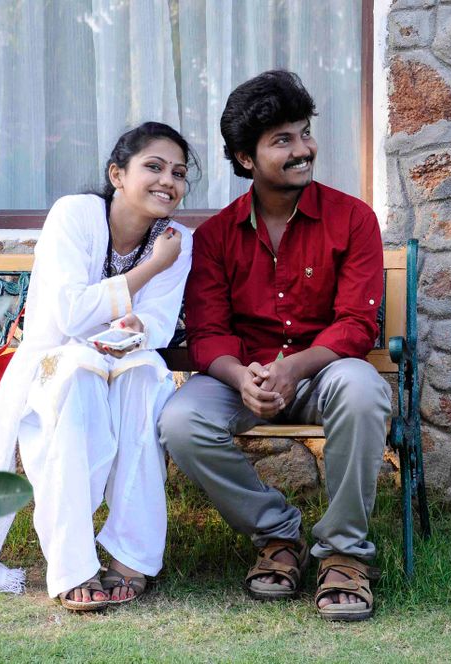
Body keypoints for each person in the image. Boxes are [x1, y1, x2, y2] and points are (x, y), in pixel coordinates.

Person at [158, 71, 390, 622]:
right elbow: (208, 334)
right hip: (245, 379)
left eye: (304, 133)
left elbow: (357, 323)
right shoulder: (215, 237)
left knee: (364, 391)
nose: (302, 149)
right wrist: (243, 377)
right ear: (246, 158)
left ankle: (343, 552)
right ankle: (278, 534)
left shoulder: (353, 219)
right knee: (180, 421)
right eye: (282, 140)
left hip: (324, 373)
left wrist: (294, 369)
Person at [0, 122, 195, 611]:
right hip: (54, 362)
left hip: (125, 361)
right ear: (117, 174)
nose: (167, 181)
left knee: (146, 379)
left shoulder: (178, 239)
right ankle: (73, 564)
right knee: (79, 373)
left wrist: (135, 330)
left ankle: (132, 556)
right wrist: (152, 267)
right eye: (153, 167)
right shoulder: (74, 215)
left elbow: (158, 321)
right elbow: (67, 317)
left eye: (178, 172)